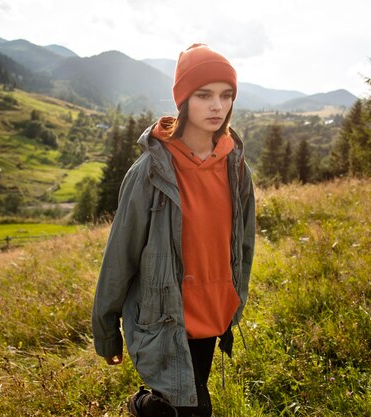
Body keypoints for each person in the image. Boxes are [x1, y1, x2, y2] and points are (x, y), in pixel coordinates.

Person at [91, 43, 256, 417]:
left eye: (226, 95)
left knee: (180, 402)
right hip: (166, 314)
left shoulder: (236, 167)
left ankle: (146, 405)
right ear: (183, 99)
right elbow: (120, 255)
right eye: (204, 95)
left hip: (213, 311)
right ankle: (144, 405)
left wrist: (236, 301)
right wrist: (106, 330)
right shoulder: (150, 171)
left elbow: (244, 245)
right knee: (195, 409)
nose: (217, 105)